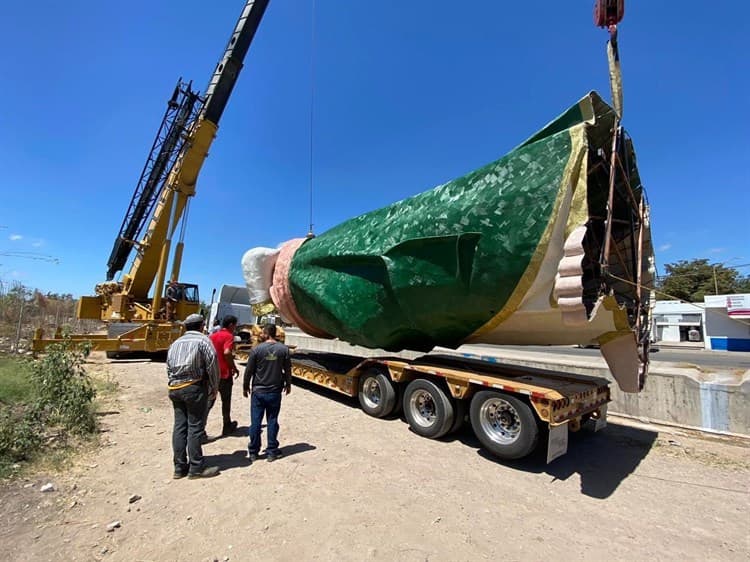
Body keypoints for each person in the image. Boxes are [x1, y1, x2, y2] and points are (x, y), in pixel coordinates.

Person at [166, 313, 220, 479]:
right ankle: (196, 467)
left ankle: (179, 467)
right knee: (195, 427)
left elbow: (168, 367)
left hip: (175, 388)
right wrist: (214, 387)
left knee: (179, 427)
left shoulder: (175, 344)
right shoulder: (203, 341)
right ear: (202, 325)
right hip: (194, 387)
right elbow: (212, 364)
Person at [243, 324, 292, 462]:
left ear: (265, 333)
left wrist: (245, 386)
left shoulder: (257, 350)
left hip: (258, 391)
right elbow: (287, 370)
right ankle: (271, 451)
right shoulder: (283, 350)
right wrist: (288, 384)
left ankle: (253, 451)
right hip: (274, 391)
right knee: (272, 420)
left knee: (256, 422)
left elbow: (249, 371)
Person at [207, 315, 240, 436]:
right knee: (226, 401)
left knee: (209, 401)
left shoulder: (212, 336)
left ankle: (199, 428)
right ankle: (227, 425)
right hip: (224, 374)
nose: (235, 328)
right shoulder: (228, 336)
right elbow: (227, 352)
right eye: (235, 325)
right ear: (231, 325)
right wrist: (233, 367)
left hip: (212, 374)